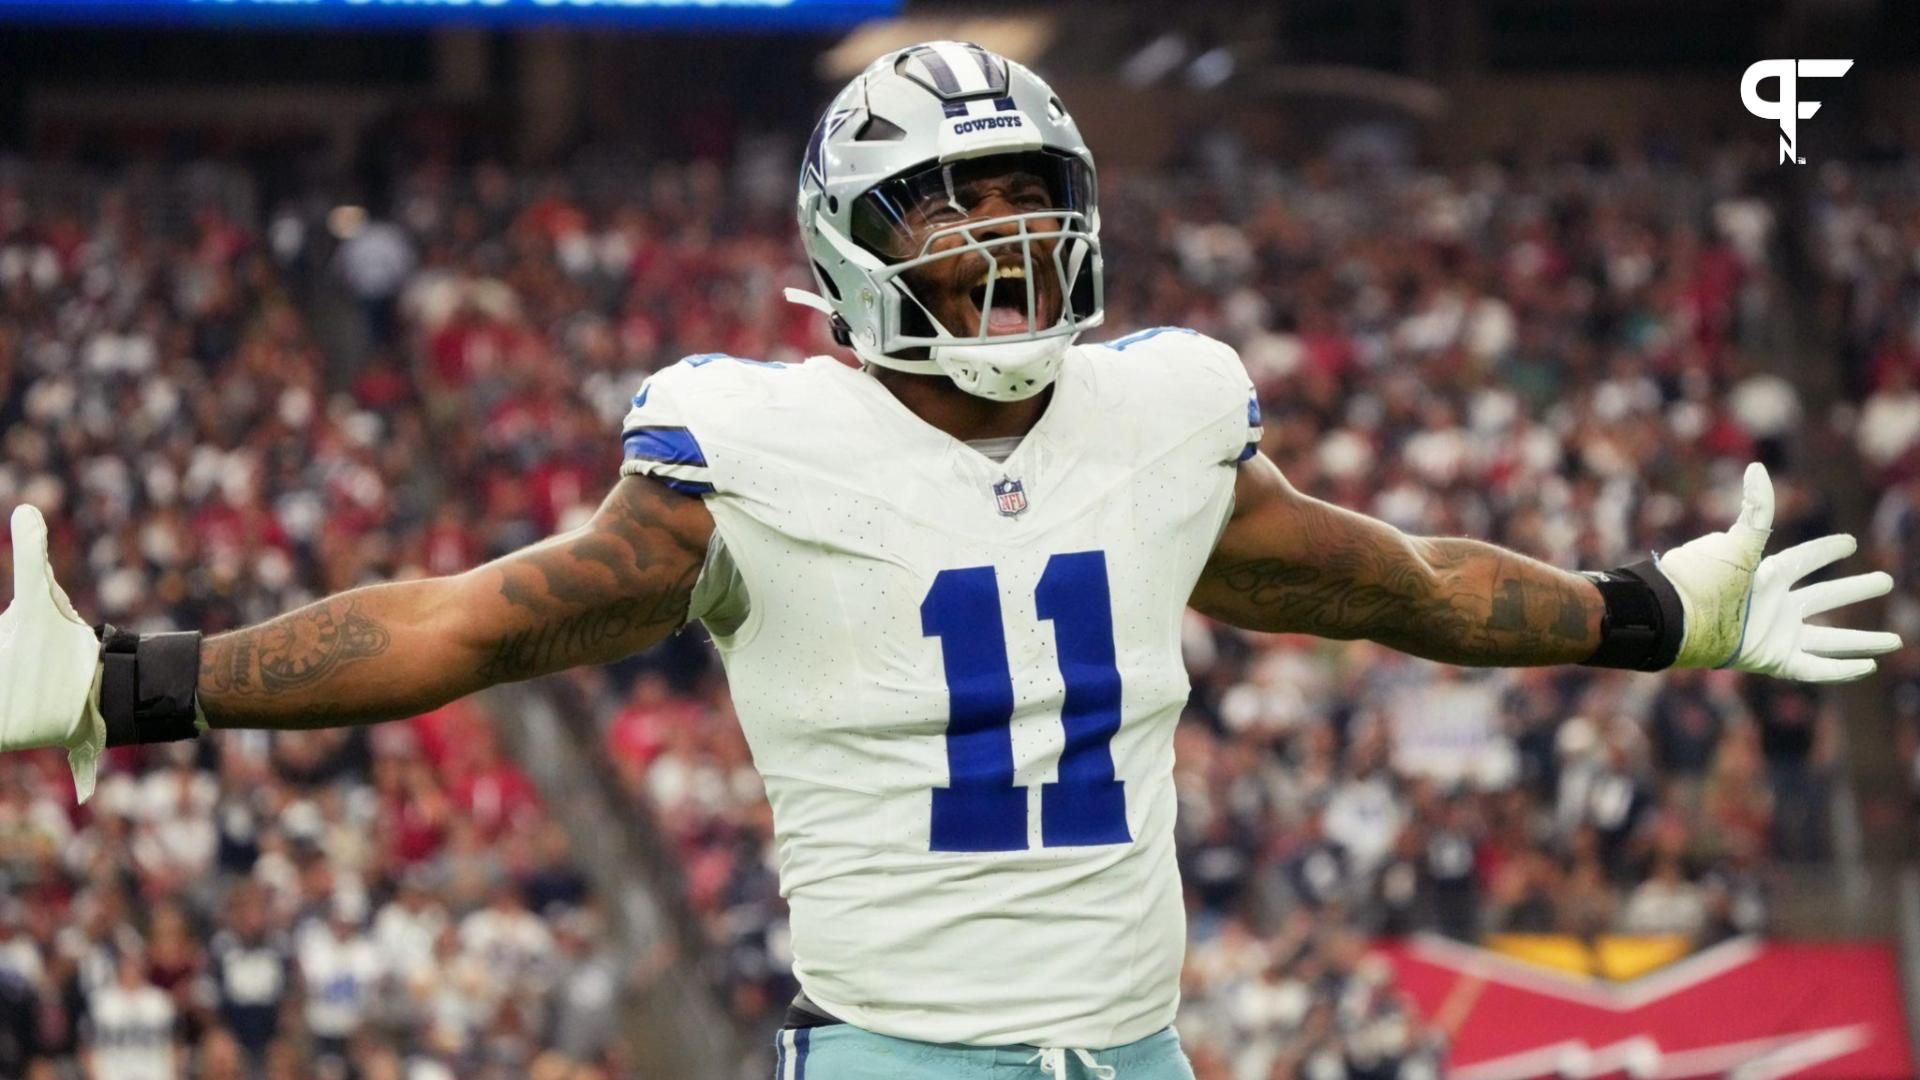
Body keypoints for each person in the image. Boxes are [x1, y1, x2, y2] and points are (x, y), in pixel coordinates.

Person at [0, 41, 1901, 1080]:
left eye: (1025, 199)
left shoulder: (1164, 415)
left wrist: (1652, 615)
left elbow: (1393, 581)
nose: (999, 242)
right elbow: (461, 625)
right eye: (948, 206)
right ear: (846, 247)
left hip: (1139, 1056)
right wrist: (132, 679)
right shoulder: (745, 453)